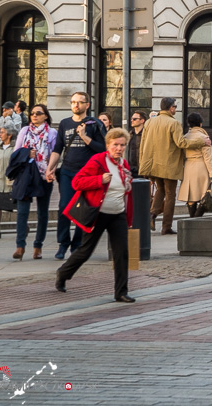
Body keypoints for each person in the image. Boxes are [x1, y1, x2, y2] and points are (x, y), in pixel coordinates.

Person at [55, 128, 136, 303]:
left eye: (122, 145)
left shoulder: (124, 165)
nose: (119, 148)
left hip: (118, 213)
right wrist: (99, 180)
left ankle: (121, 292)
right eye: (115, 145)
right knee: (85, 251)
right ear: (108, 145)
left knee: (122, 253)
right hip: (97, 213)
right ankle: (63, 273)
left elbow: (127, 192)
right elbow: (77, 182)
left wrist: (128, 217)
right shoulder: (97, 161)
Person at [45, 92, 106, 260]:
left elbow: (103, 149)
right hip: (67, 171)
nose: (76, 105)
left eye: (80, 102)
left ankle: (77, 244)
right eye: (73, 102)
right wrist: (50, 168)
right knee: (65, 207)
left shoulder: (94, 124)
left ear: (87, 104)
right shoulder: (64, 123)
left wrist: (84, 137)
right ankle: (63, 243)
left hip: (87, 174)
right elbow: (58, 148)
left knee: (83, 209)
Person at [138, 97, 209, 235]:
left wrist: (143, 164)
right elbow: (181, 143)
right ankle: (166, 227)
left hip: (152, 164)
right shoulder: (174, 123)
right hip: (168, 165)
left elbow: (143, 145)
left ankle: (152, 215)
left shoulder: (149, 122)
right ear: (170, 108)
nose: (175, 109)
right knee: (170, 194)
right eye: (175, 107)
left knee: (160, 190)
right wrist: (201, 142)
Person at [12, 104, 57, 260]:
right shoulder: (24, 131)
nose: (34, 116)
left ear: (46, 116)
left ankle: (38, 246)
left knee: (42, 213)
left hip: (44, 176)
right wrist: (27, 153)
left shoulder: (52, 133)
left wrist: (51, 170)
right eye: (32, 113)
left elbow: (55, 154)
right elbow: (16, 153)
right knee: (22, 212)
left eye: (38, 113)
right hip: (26, 176)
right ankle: (20, 246)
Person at [178, 113, 212, 217]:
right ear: (200, 124)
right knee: (205, 196)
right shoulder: (204, 138)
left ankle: (192, 219)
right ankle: (196, 219)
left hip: (188, 167)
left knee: (191, 197)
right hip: (201, 167)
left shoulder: (184, 137)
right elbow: (208, 157)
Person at [0, 123, 19, 239]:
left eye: (2, 132)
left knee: (15, 205)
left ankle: (23, 226)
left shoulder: (15, 148)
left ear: (9, 135)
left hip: (11, 181)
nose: (0, 134)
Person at [126, 111, 146, 177]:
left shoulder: (146, 134)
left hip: (142, 170)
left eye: (134, 119)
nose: (132, 120)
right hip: (130, 169)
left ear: (142, 120)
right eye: (131, 119)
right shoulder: (130, 134)